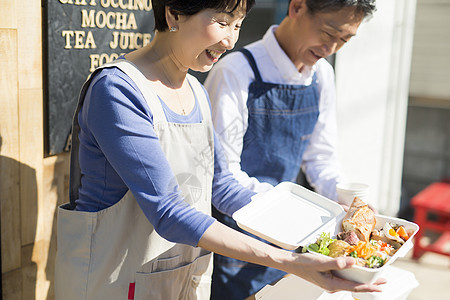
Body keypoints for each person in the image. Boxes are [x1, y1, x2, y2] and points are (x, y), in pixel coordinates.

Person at [54, 0, 385, 299]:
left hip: (180, 278)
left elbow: (219, 184)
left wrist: (327, 227)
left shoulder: (196, 90)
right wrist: (293, 259)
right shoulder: (118, 90)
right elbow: (168, 211)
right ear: (173, 13)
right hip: (115, 282)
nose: (231, 41)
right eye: (223, 22)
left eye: (238, 25)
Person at [204, 0, 377, 298]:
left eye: (344, 40)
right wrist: (300, 213)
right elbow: (221, 181)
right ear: (297, 7)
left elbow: (320, 157)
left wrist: (344, 200)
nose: (331, 47)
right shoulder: (235, 72)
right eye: (328, 32)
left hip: (292, 240)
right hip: (233, 243)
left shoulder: (321, 75)